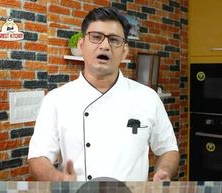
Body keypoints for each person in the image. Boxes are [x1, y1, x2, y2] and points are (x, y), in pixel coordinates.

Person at [28, 7, 179, 181]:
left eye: (114, 40)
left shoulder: (147, 98)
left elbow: (169, 149)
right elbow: (38, 156)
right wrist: (55, 177)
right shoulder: (56, 99)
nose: (105, 45)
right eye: (96, 37)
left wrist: (165, 172)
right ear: (81, 45)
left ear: (124, 51)